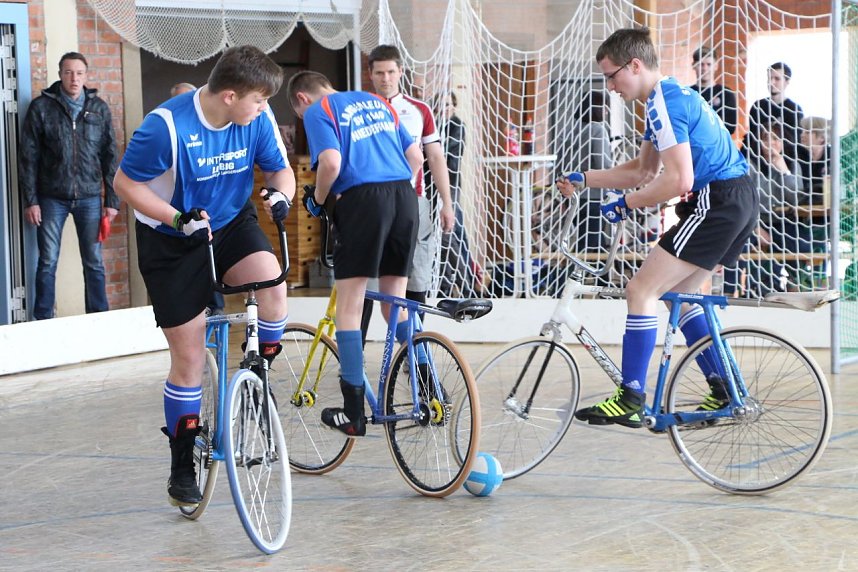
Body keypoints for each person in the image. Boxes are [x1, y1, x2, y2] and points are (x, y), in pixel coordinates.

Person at [114, 46, 296, 507]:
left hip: (230, 221)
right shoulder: (166, 127)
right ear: (230, 96)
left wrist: (281, 195)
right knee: (190, 356)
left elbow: (280, 170)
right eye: (257, 100)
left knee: (273, 288)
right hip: (173, 234)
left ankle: (258, 380)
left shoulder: (256, 117)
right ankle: (181, 463)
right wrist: (177, 220)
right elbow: (125, 184)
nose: (263, 108)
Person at [557, 27, 757, 428]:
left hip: (716, 201)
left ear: (635, 65)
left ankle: (630, 394)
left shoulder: (664, 101)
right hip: (736, 199)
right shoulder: (663, 99)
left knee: (641, 289)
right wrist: (586, 178)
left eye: (611, 75)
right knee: (679, 296)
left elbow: (679, 180)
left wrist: (627, 204)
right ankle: (726, 387)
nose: (610, 86)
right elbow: (643, 170)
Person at [286, 70, 423, 436]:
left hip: (363, 200)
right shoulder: (377, 102)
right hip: (404, 196)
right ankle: (425, 384)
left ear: (302, 99)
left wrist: (317, 200)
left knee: (350, 304)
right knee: (394, 301)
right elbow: (416, 157)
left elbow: (330, 163)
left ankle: (353, 412)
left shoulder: (319, 109)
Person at [19, 52, 119, 320]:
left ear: (86, 76)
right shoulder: (41, 107)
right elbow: (28, 157)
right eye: (68, 72)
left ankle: (99, 319)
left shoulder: (98, 108)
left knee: (94, 262)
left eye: (79, 73)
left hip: (89, 198)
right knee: (48, 261)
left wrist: (111, 200)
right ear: (60, 74)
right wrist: (31, 200)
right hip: (51, 197)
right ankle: (43, 319)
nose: (74, 78)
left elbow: (111, 156)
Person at [364, 45, 454, 329]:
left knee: (417, 274)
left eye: (391, 72)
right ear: (370, 74)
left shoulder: (419, 110)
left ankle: (414, 352)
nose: (386, 78)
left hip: (413, 201)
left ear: (400, 72)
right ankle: (354, 363)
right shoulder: (360, 107)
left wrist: (447, 203)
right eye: (380, 72)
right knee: (365, 278)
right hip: (370, 203)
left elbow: (436, 157)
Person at [170, 81, 225, 316]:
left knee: (211, 253)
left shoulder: (213, 132)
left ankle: (216, 306)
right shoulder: (171, 129)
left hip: (211, 207)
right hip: (181, 210)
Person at [437, 91, 479, 297]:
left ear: (454, 106)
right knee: (447, 237)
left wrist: (433, 155)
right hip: (430, 187)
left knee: (453, 233)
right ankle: (445, 284)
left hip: (450, 186)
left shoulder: (457, 126)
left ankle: (467, 285)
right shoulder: (433, 126)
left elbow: (449, 159)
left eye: (447, 105)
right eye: (440, 105)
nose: (443, 109)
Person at [746, 62, 803, 162]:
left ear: (787, 82)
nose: (772, 82)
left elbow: (795, 142)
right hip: (758, 162)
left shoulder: (794, 109)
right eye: (769, 78)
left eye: (777, 79)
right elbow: (751, 137)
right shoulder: (758, 106)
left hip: (785, 162)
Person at [689, 46, 738, 135]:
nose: (704, 68)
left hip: (718, 147)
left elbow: (731, 128)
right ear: (694, 66)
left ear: (716, 66)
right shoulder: (687, 93)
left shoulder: (726, 93)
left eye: (709, 64)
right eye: (701, 64)